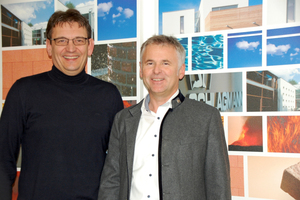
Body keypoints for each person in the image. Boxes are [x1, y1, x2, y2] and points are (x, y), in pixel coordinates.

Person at [0, 9, 123, 200]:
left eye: (78, 40)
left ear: (90, 46)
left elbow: (119, 164)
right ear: (49, 46)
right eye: (61, 40)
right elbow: (2, 159)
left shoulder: (109, 95)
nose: (71, 48)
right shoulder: (23, 91)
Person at [98, 35, 231, 200]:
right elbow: (111, 181)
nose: (156, 70)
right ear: (140, 69)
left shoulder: (206, 118)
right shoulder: (123, 119)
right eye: (150, 63)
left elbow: (218, 186)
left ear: (181, 70)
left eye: (165, 63)